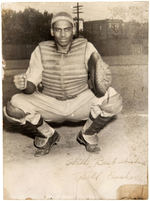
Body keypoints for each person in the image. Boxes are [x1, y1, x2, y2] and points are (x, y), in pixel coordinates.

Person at [4, 12, 123, 157]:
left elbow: (100, 77)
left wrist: (102, 79)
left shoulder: (86, 47)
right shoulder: (41, 50)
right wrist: (24, 85)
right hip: (50, 104)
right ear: (52, 31)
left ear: (73, 30)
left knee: (113, 100)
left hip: (80, 102)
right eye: (58, 30)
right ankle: (47, 134)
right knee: (14, 106)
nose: (62, 34)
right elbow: (31, 87)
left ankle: (87, 134)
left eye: (67, 29)